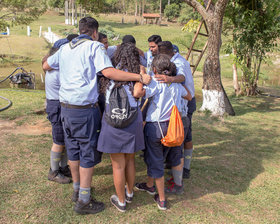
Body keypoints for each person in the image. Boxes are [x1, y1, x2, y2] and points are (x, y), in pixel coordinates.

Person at [42, 16, 151, 215]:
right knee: (86, 152)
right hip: (84, 109)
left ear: (80, 29)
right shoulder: (94, 47)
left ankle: (77, 190)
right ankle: (84, 199)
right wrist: (138, 76)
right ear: (94, 32)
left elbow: (46, 65)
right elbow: (108, 72)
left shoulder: (65, 48)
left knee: (73, 149)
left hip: (65, 107)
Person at [134, 54, 191, 210]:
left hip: (156, 128)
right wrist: (175, 80)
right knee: (160, 158)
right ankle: (150, 185)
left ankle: (162, 199)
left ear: (154, 69)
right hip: (172, 128)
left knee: (156, 161)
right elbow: (189, 96)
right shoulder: (178, 86)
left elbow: (139, 93)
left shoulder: (155, 84)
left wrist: (142, 76)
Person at [97, 43, 145, 212]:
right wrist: (142, 74)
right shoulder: (138, 77)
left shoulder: (111, 74)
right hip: (132, 121)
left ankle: (121, 201)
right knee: (130, 159)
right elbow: (139, 93)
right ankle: (130, 192)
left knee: (117, 165)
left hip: (113, 123)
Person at [43, 34, 78, 184]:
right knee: (58, 141)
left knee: (63, 139)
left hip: (57, 104)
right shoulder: (57, 71)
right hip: (57, 105)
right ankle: (53, 171)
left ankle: (63, 167)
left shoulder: (52, 66)